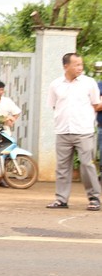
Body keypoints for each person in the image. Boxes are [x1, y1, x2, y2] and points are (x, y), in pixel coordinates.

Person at [45, 53, 102, 211]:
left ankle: (94, 198)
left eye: (81, 64)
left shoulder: (89, 83)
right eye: (76, 64)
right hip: (63, 131)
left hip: (83, 130)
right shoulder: (55, 85)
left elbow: (96, 104)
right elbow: (54, 105)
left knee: (87, 165)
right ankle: (61, 199)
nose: (80, 67)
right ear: (66, 66)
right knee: (62, 167)